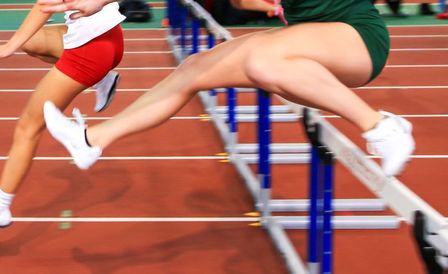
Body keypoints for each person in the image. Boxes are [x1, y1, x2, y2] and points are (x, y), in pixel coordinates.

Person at [41, 0, 415, 177]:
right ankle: (93, 140)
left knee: (263, 61)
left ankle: (380, 127)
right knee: (194, 69)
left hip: (358, 40)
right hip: (310, 45)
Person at [0, 1, 125, 233]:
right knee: (31, 41)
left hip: (89, 51)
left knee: (28, 128)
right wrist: (14, 44)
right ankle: (104, 78)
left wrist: (8, 47)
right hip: (110, 39)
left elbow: (43, 5)